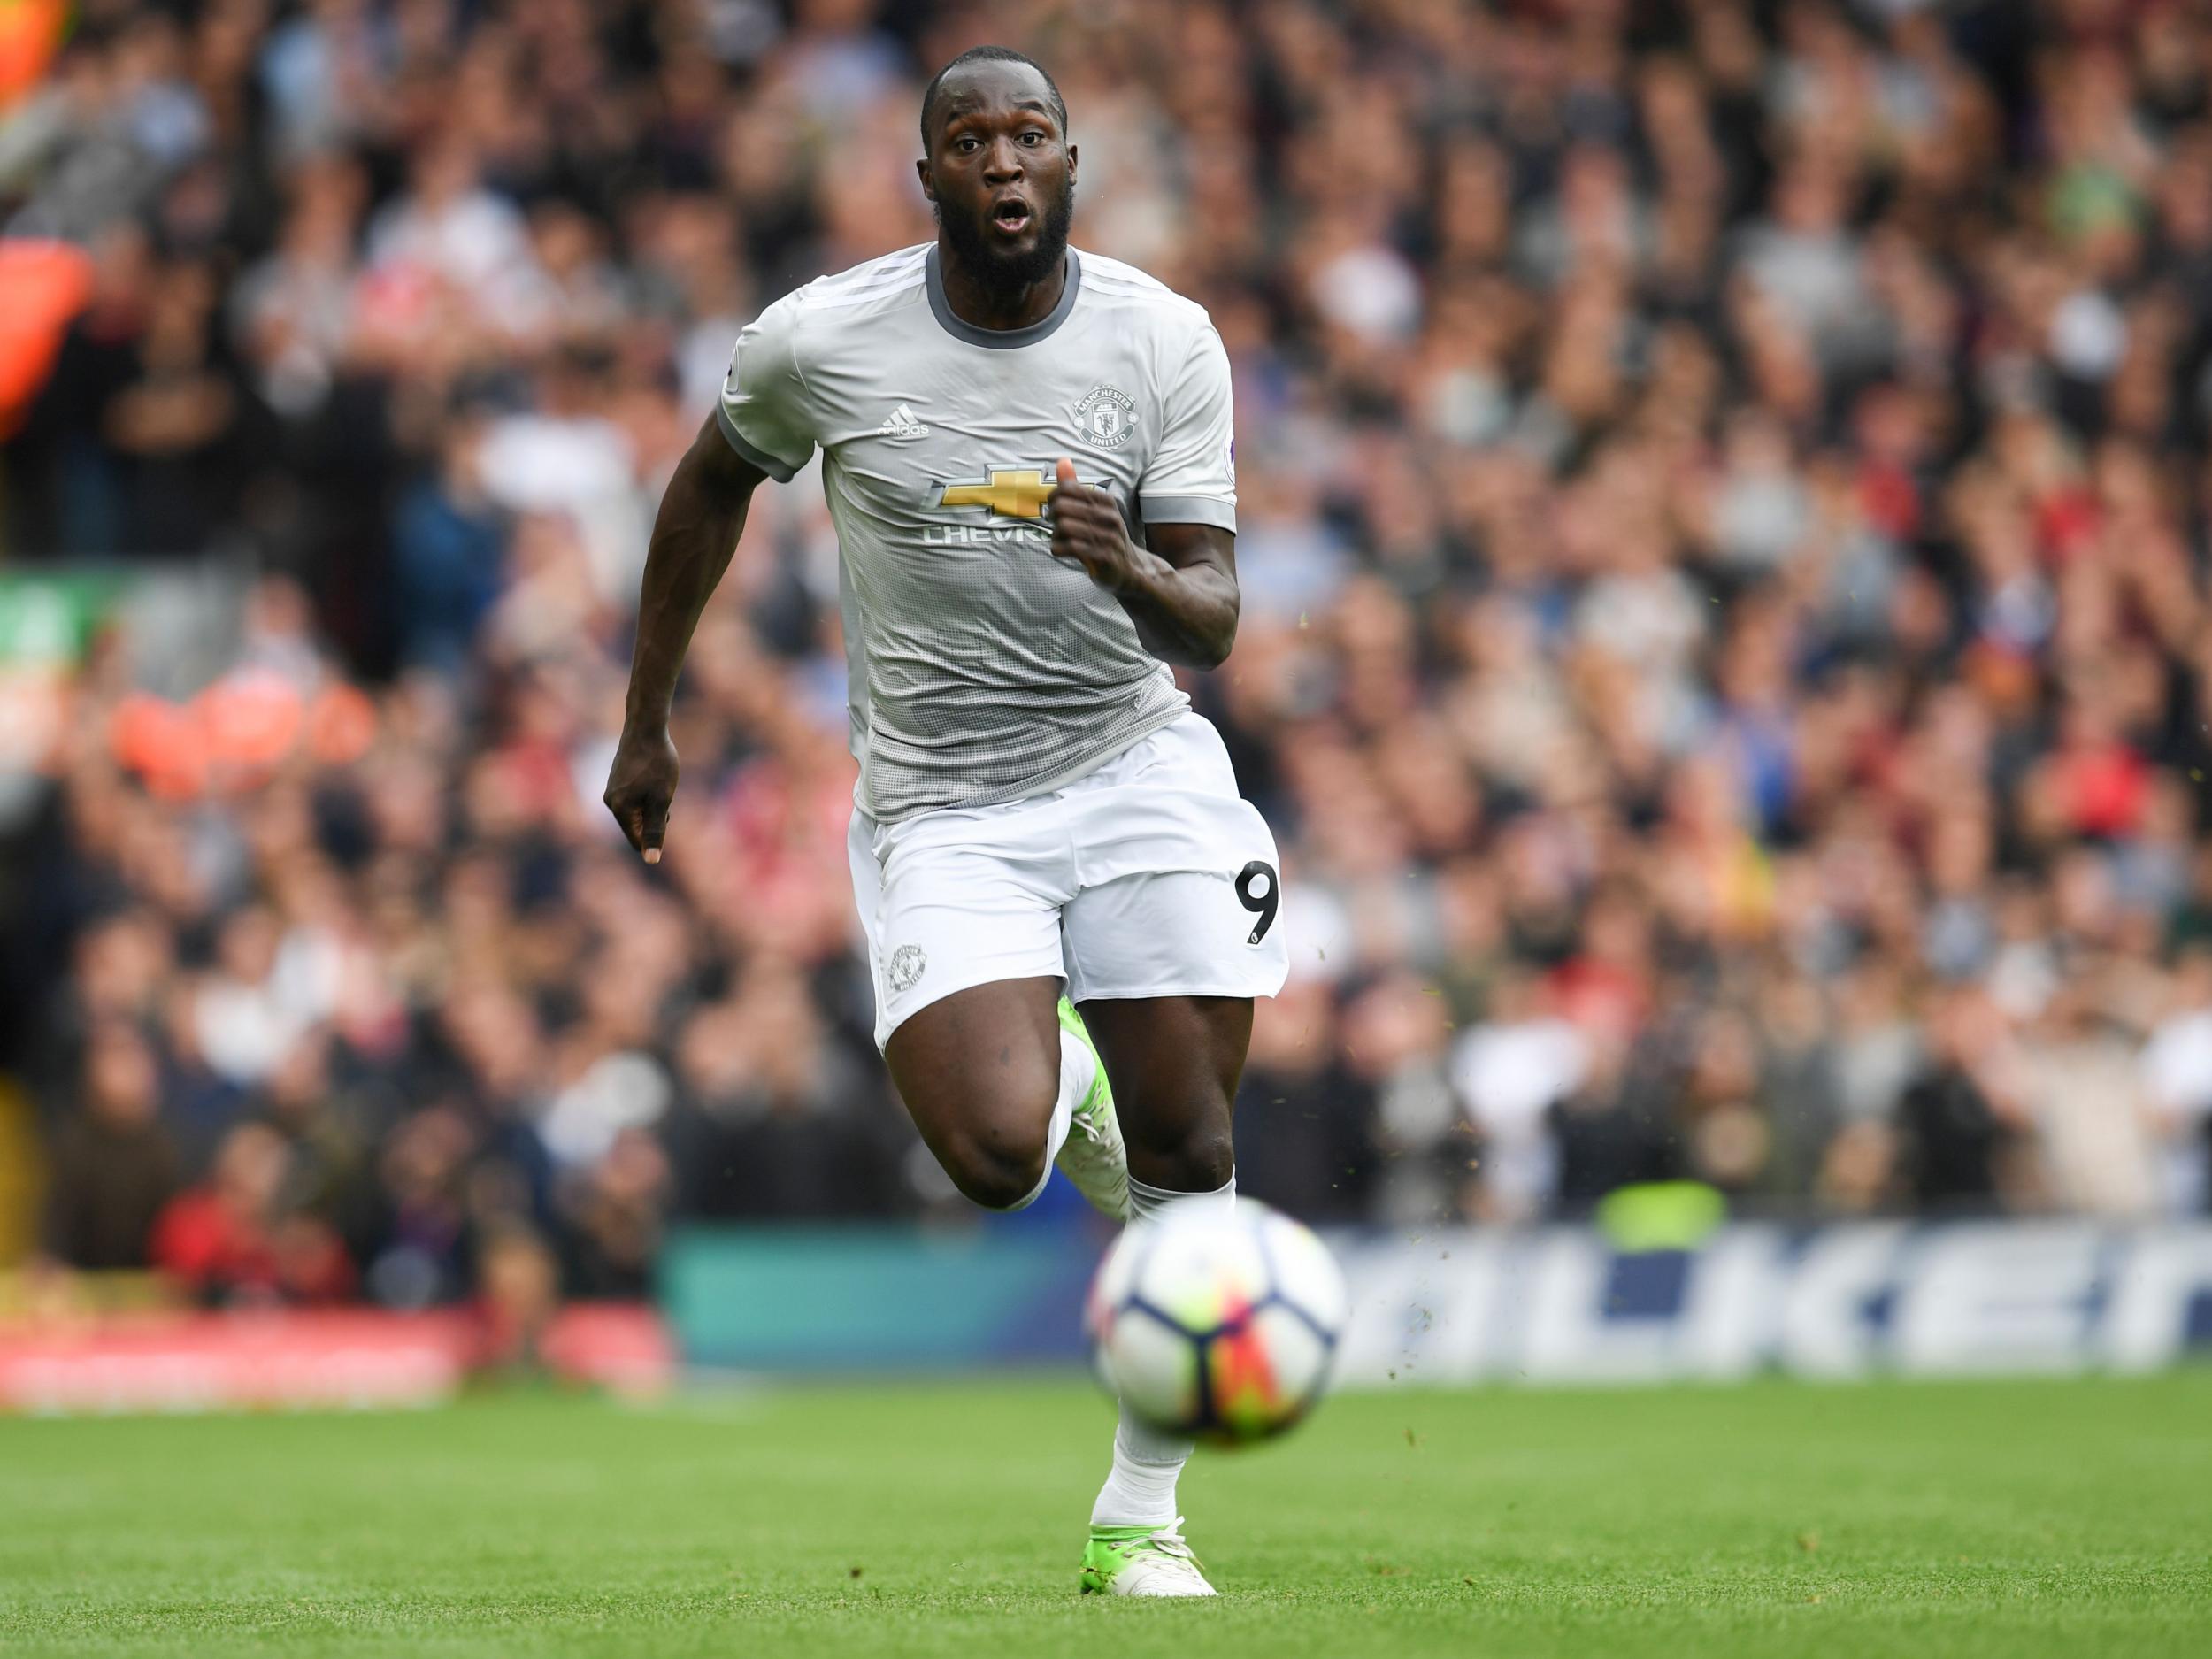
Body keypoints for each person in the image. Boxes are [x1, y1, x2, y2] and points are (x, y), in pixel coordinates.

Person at [603, 46, 1284, 1597]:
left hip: (1132, 767)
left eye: (1029, 133)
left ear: (1067, 164)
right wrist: (647, 716)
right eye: (967, 138)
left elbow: (1218, 621)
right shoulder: (823, 340)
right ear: (927, 177)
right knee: (992, 1158)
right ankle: (1076, 1095)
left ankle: (1141, 1518)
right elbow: (709, 486)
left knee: (1196, 1149)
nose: (1000, 159)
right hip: (941, 801)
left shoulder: (1163, 339)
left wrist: (1125, 567)